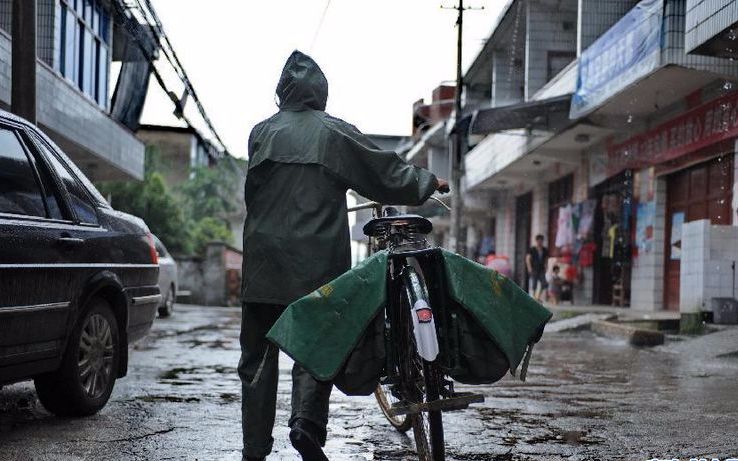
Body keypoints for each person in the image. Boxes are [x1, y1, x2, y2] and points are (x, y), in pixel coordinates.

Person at [239, 50, 449, 461]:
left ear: (282, 92)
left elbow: (253, 197)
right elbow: (383, 173)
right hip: (315, 267)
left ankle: (254, 449)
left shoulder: (260, 133)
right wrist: (427, 183)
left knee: (257, 361)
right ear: (321, 92)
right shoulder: (334, 133)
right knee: (315, 347)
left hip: (261, 266)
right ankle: (306, 424)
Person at [526, 234, 549, 301]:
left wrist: (546, 267)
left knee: (544, 283)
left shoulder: (545, 250)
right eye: (538, 241)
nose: (540, 242)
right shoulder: (532, 249)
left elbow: (546, 259)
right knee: (534, 283)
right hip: (534, 268)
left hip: (541, 269)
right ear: (536, 241)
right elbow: (528, 258)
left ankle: (538, 296)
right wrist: (529, 267)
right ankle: (533, 297)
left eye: (541, 241)